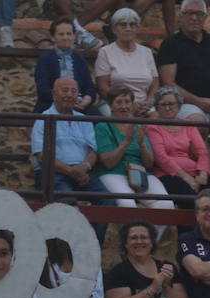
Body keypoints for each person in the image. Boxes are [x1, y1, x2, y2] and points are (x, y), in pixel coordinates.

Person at [30, 77, 109, 240]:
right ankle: (71, 250)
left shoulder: (84, 119)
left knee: (108, 201)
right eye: (64, 90)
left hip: (82, 172)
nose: (69, 95)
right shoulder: (44, 118)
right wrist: (71, 171)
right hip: (54, 172)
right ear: (53, 94)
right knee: (69, 204)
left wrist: (85, 166)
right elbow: (42, 156)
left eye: (74, 91)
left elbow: (93, 150)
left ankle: (93, 247)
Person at [94, 86, 171, 219]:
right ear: (110, 105)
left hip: (139, 172)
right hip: (114, 173)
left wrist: (141, 144)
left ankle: (147, 237)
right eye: (119, 102)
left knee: (167, 206)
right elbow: (108, 163)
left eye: (127, 102)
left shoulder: (138, 125)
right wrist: (126, 142)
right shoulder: (103, 126)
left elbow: (149, 164)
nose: (124, 106)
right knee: (127, 204)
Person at [156, 0, 210, 122]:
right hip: (187, 104)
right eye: (189, 13)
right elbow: (168, 83)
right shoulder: (170, 44)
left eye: (199, 14)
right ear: (181, 16)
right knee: (198, 122)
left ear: (205, 17)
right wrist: (199, 102)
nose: (194, 18)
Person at [145, 87, 209, 202]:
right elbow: (161, 157)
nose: (168, 108)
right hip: (169, 175)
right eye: (163, 105)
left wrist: (203, 174)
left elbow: (202, 151)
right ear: (157, 107)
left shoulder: (188, 124)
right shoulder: (153, 127)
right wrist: (186, 177)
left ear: (179, 105)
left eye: (171, 104)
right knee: (191, 198)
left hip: (194, 173)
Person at [93, 8, 158, 116]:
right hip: (115, 103)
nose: (128, 29)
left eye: (132, 25)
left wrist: (149, 102)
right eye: (123, 25)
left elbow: (155, 84)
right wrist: (129, 104)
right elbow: (103, 87)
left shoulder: (146, 52)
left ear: (137, 29)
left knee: (156, 117)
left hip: (144, 104)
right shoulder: (105, 52)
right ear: (114, 29)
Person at [36, 18, 97, 114]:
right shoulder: (45, 59)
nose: (65, 37)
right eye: (61, 34)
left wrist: (85, 101)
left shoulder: (79, 60)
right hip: (51, 103)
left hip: (78, 104)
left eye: (69, 34)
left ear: (74, 36)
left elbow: (89, 88)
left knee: (99, 121)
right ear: (53, 37)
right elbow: (43, 89)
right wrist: (65, 100)